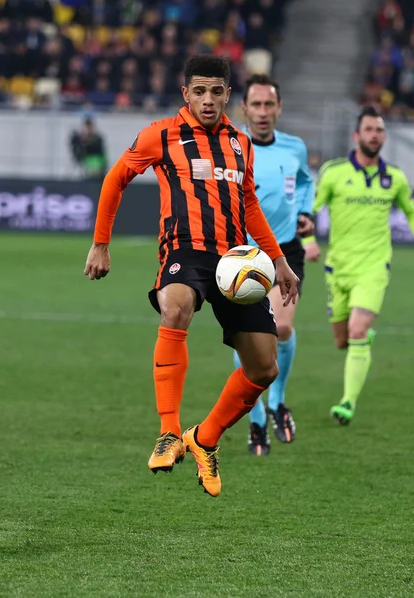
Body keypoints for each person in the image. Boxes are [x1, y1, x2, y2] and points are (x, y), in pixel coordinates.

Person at [84, 55, 299, 497]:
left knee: (264, 367)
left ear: (227, 96)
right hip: (184, 249)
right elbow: (115, 178)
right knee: (175, 306)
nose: (207, 99)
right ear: (186, 94)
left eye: (216, 91)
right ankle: (168, 432)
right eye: (199, 91)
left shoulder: (241, 144)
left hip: (236, 261)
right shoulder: (161, 134)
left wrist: (277, 260)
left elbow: (250, 205)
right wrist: (100, 243)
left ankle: (204, 440)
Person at [310, 105, 414, 425]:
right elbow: (307, 210)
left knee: (357, 329)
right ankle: (362, 340)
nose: (374, 135)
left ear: (384, 136)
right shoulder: (334, 172)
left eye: (380, 130)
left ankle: (347, 403)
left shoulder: (394, 177)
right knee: (343, 340)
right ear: (356, 136)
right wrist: (307, 241)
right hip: (337, 268)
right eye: (369, 129)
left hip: (374, 267)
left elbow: (411, 213)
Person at [235, 73, 320, 456]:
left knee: (282, 328)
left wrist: (305, 211)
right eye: (256, 104)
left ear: (279, 108)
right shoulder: (231, 146)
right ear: (245, 109)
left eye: (270, 104)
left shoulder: (294, 148)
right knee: (249, 340)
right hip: (240, 255)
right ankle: (255, 425)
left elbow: (305, 182)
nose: (263, 112)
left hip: (285, 250)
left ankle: (277, 400)